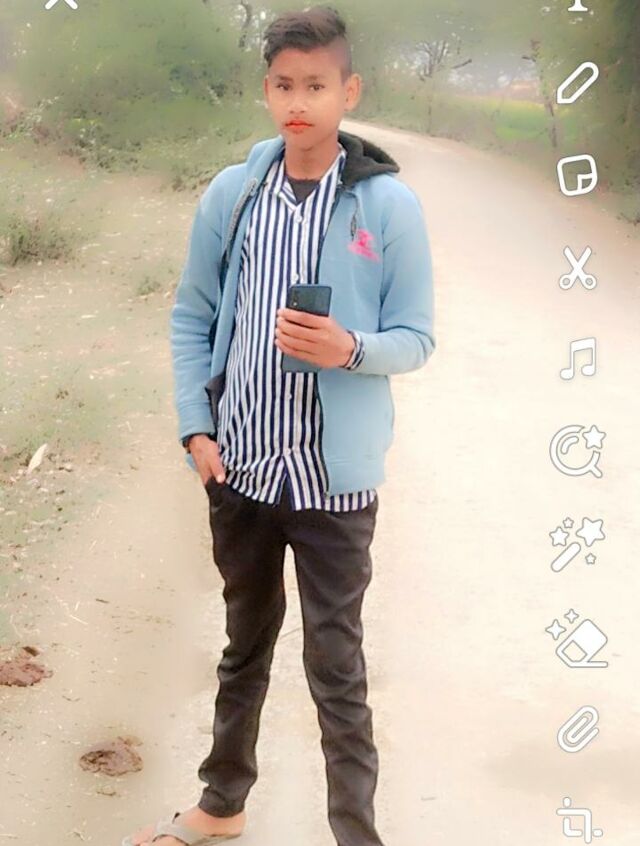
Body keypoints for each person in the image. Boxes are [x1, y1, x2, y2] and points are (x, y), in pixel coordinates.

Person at [123, 5, 435, 846]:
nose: (300, 102)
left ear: (348, 92)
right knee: (243, 647)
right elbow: (193, 316)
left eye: (317, 86)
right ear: (267, 90)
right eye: (285, 85)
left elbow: (417, 337)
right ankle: (221, 805)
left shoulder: (387, 206)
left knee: (337, 665)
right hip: (244, 468)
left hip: (335, 485)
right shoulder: (235, 195)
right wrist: (197, 429)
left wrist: (349, 347)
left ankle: (355, 834)